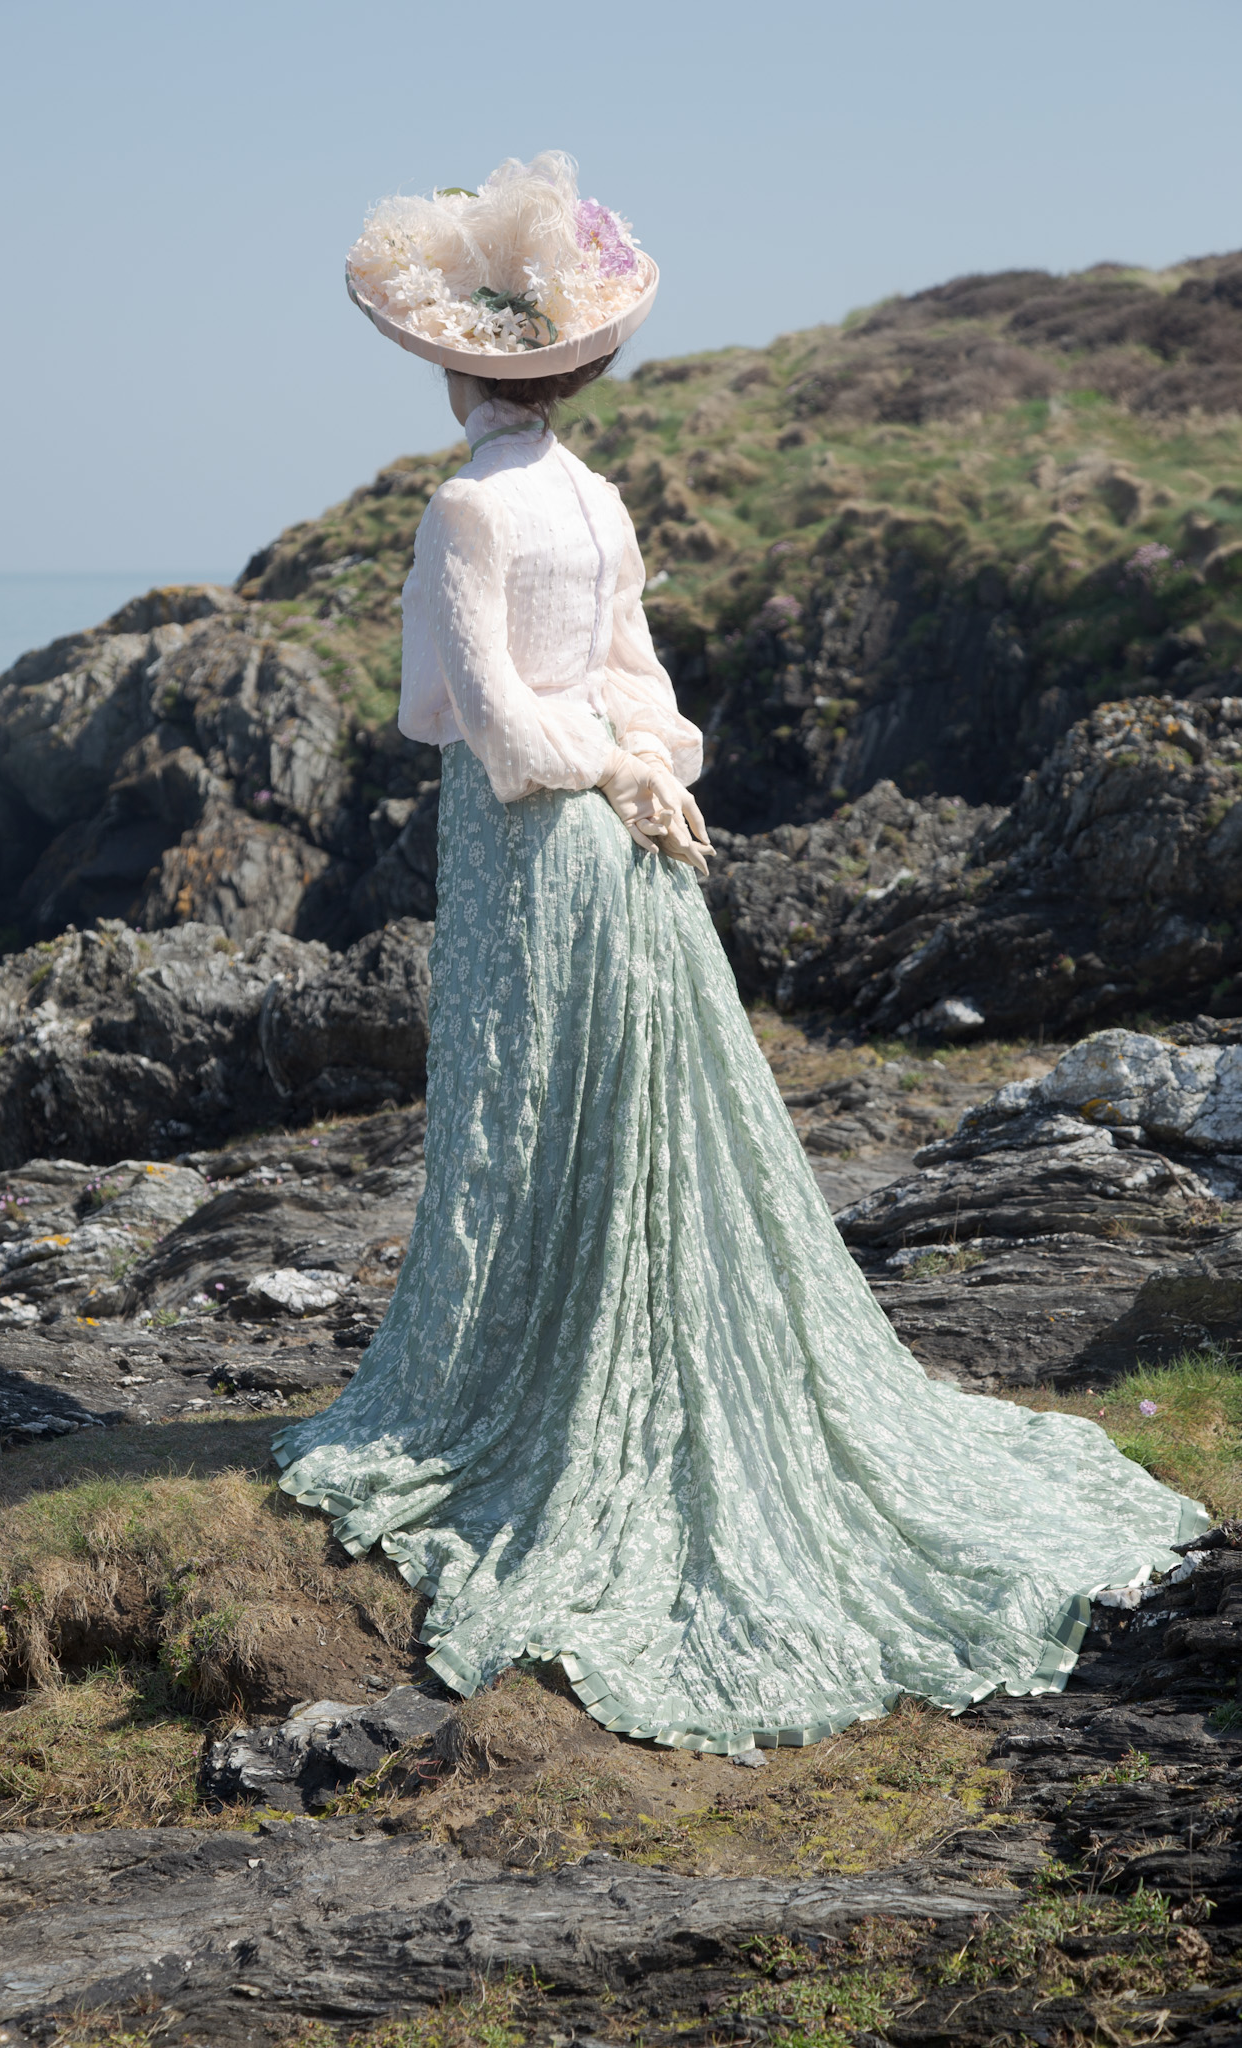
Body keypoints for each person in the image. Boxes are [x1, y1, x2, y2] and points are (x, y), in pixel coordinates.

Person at [274, 154, 1207, 1756]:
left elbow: (481, 716)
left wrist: (590, 765)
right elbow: (639, 672)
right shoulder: (595, 496)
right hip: (632, 835)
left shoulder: (464, 505)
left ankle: (519, 1377)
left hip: (531, 844)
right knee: (630, 1089)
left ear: (461, 367)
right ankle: (597, 1350)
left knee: (526, 1093)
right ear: (583, 363)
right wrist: (649, 764)